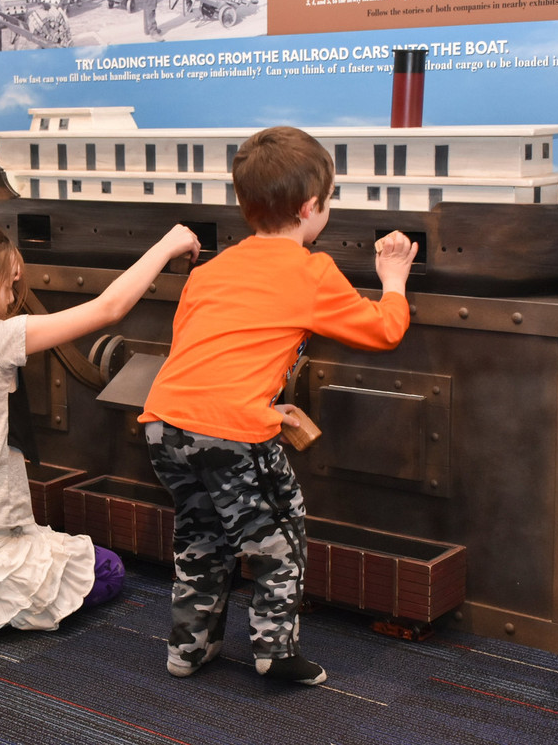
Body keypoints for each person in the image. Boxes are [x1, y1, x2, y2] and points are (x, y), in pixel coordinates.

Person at [139, 126, 418, 685]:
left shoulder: (210, 270)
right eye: (329, 200)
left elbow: (200, 350)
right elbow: (386, 331)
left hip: (164, 423)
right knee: (279, 536)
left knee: (201, 534)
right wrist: (393, 280)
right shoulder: (311, 271)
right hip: (232, 432)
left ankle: (188, 650)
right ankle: (274, 652)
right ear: (312, 207)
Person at [0, 214, 200, 658]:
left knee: (31, 559)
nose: (14, 298)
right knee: (107, 571)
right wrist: (168, 244)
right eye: (10, 286)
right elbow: (108, 309)